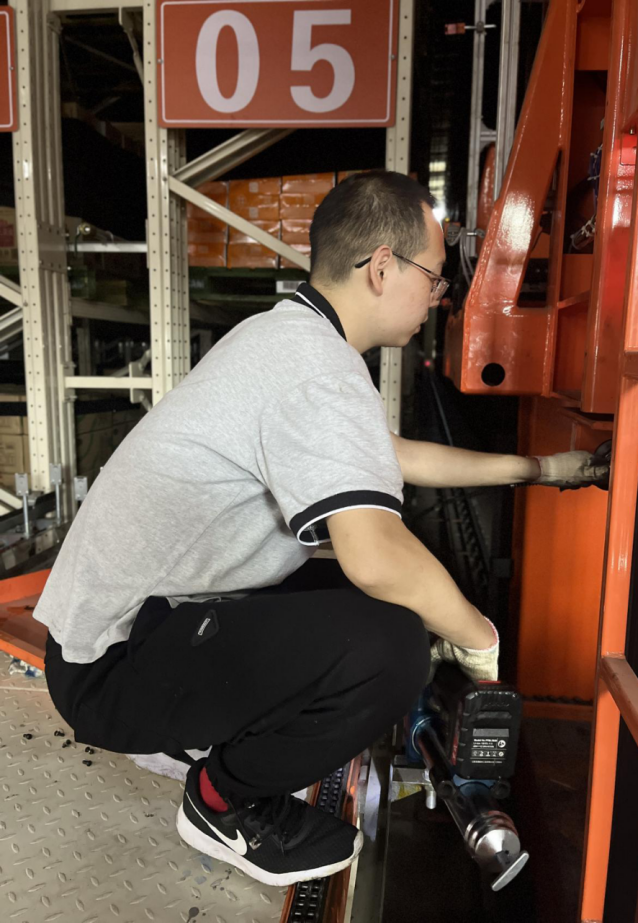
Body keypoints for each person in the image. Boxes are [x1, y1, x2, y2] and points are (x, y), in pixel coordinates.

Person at [34, 171, 608, 889]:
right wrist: (477, 635)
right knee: (390, 645)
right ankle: (222, 802)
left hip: (132, 630)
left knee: (396, 605)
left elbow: (396, 456)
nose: (439, 295)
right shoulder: (314, 367)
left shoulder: (292, 338)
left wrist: (545, 469)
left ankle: (223, 732)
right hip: (110, 666)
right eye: (433, 275)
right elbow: (374, 556)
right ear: (381, 267)